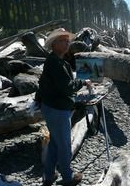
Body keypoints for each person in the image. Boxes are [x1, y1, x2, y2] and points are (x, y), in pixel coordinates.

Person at [35, 28, 91, 186]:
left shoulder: (56, 61)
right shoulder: (55, 63)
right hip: (57, 110)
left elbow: (45, 84)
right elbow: (66, 87)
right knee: (65, 145)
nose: (67, 43)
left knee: (54, 143)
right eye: (63, 41)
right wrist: (83, 82)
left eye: (68, 41)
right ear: (54, 44)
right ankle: (68, 177)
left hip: (51, 107)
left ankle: (48, 175)